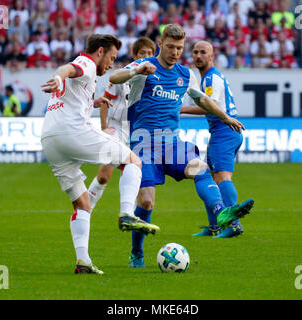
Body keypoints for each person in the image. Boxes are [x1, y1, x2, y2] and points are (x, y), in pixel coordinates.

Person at [109, 24, 254, 268]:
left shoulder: (185, 74)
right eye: (171, 47)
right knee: (146, 202)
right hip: (143, 142)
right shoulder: (144, 67)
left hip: (172, 142)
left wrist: (225, 117)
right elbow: (114, 77)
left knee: (199, 167)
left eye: (179, 48)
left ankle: (221, 212)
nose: (175, 52)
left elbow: (204, 100)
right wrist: (136, 71)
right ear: (161, 45)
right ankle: (136, 252)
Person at [40, 34, 159, 275]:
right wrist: (57, 76)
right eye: (112, 58)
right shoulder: (85, 63)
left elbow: (71, 91)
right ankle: (126, 214)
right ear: (100, 51)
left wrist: (92, 102)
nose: (111, 65)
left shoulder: (88, 75)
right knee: (133, 161)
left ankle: (82, 262)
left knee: (82, 203)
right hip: (71, 133)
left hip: (50, 140)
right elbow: (68, 69)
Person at [181, 40, 244, 238]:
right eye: (196, 52)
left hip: (224, 130)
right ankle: (215, 226)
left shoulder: (211, 78)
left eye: (203, 53)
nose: (198, 56)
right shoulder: (209, 77)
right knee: (209, 177)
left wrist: (179, 109)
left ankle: (233, 225)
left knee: (221, 178)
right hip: (221, 132)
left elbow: (210, 106)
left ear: (212, 56)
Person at [88, 37, 156, 213]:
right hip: (117, 128)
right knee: (104, 176)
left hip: (137, 132)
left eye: (150, 54)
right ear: (135, 56)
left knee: (135, 173)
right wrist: (104, 127)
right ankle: (85, 207)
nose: (146, 56)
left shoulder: (155, 80)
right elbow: (105, 101)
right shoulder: (123, 76)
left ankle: (129, 213)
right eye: (142, 53)